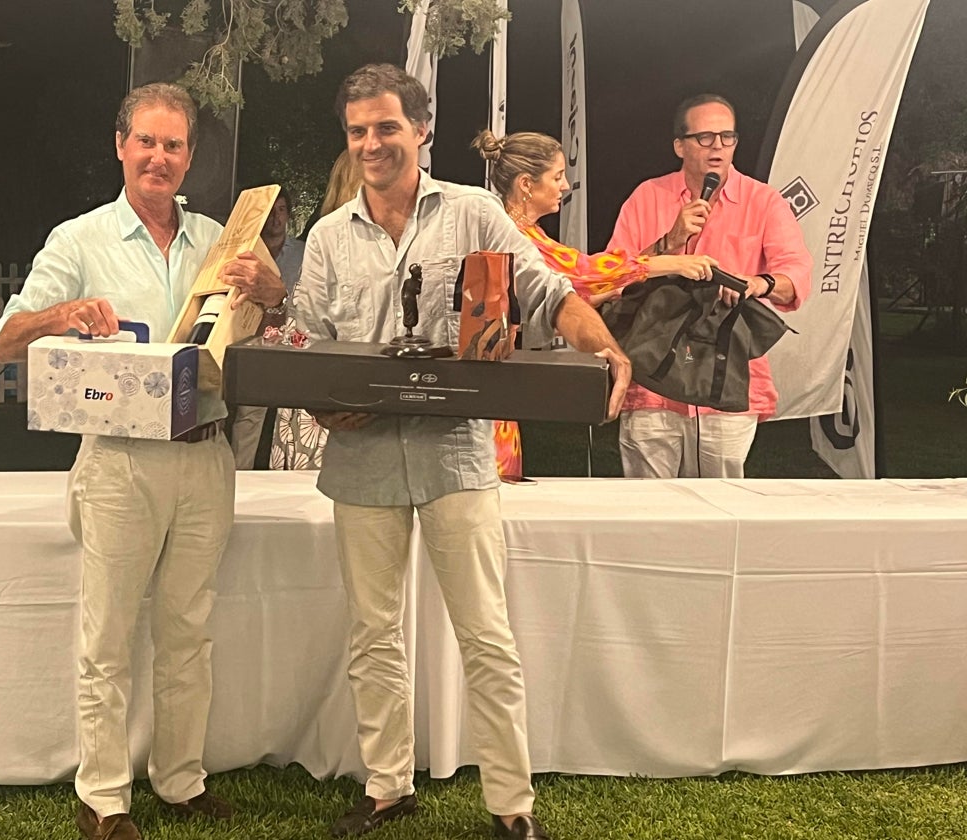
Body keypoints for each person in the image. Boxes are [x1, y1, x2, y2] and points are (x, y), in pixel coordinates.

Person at [292, 63, 632, 840]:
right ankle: (387, 787)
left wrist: (607, 349)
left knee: (486, 633)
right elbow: (307, 338)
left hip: (457, 457)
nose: (372, 143)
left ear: (422, 130)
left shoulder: (475, 212)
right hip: (362, 461)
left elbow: (548, 292)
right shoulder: (326, 238)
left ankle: (512, 807)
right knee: (371, 634)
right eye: (358, 130)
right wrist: (316, 396)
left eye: (386, 126)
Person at [0, 82, 286, 840]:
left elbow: (263, 327)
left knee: (189, 631)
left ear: (190, 156)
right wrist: (67, 312)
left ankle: (181, 782)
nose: (160, 157)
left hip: (204, 454)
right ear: (120, 146)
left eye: (175, 145)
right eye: (146, 142)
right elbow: (6, 339)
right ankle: (104, 800)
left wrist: (273, 292)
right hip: (119, 460)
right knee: (109, 637)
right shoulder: (79, 240)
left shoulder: (221, 238)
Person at [472, 129, 718, 480]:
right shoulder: (514, 235)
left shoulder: (528, 233)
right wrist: (671, 262)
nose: (565, 185)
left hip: (496, 392)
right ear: (526, 184)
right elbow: (585, 274)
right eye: (557, 176)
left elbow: (588, 287)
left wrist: (664, 249)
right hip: (487, 393)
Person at [607, 93, 812, 478]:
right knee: (649, 507)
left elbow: (796, 278)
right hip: (654, 381)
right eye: (705, 138)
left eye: (727, 137)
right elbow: (612, 277)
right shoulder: (647, 197)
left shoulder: (763, 201)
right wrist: (668, 242)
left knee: (721, 510)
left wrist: (757, 284)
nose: (717, 146)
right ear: (679, 146)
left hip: (726, 379)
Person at [271, 153, 364, 469]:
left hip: (317, 405)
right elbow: (302, 336)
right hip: (325, 411)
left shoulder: (323, 245)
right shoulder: (329, 245)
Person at [227, 184, 304, 469]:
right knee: (249, 414)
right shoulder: (246, 254)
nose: (276, 219)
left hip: (294, 345)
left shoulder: (304, 253)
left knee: (294, 415)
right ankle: (239, 474)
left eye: (282, 211)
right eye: (271, 212)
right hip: (253, 340)